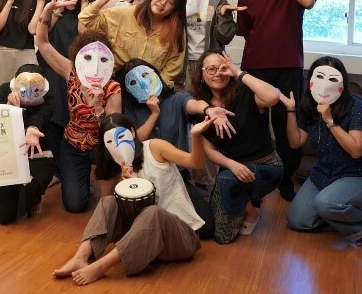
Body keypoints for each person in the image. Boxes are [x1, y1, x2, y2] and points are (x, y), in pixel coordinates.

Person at [53, 113, 213, 285]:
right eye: (109, 142)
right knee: (109, 202)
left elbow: (195, 162)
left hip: (181, 238)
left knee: (153, 212)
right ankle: (81, 256)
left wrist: (196, 135)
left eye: (121, 136)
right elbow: (134, 215)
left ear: (132, 132)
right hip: (149, 241)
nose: (117, 145)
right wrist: (129, 182)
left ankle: (101, 266)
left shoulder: (155, 147)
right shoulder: (121, 168)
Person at [236, 0, 317, 201]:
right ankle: (255, 179)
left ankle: (285, 180)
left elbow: (308, 2)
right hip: (255, 68)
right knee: (254, 125)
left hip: (290, 66)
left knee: (287, 124)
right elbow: (246, 31)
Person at [119, 57, 235, 238]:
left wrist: (208, 110)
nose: (142, 83)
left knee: (206, 229)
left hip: (177, 176)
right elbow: (135, 140)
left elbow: (194, 104)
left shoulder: (176, 99)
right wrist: (154, 114)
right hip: (144, 175)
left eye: (145, 75)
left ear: (156, 75)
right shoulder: (130, 109)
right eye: (133, 82)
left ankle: (166, 223)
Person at [282, 57, 362, 246]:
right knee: (297, 221)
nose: (325, 85)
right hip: (325, 172)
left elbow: (356, 151)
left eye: (332, 79)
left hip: (361, 174)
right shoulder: (310, 107)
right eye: (319, 77)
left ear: (342, 83)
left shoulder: (358, 108)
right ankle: (338, 217)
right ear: (310, 81)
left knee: (325, 204)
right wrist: (290, 110)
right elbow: (296, 142)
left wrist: (330, 121)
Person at [37, 0, 122, 213]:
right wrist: (47, 11)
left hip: (102, 146)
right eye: (88, 57)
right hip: (73, 144)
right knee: (75, 205)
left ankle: (103, 182)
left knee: (106, 204)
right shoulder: (71, 72)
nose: (94, 66)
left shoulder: (113, 88)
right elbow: (43, 43)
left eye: (102, 59)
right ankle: (82, 180)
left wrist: (98, 108)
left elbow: (114, 131)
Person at [194, 51, 284, 244]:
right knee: (210, 227)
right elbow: (209, 151)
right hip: (232, 170)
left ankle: (251, 213)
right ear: (201, 74)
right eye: (211, 69)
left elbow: (273, 97)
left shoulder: (245, 93)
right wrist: (232, 164)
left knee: (222, 237)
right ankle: (244, 201)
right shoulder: (203, 108)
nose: (218, 73)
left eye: (222, 68)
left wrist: (238, 72)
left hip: (266, 166)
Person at [37, 0, 91, 186]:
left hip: (77, 73)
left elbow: (85, 36)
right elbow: (38, 31)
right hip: (52, 68)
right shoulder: (55, 3)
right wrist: (55, 8)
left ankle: (68, 167)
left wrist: (86, 4)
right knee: (53, 118)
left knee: (72, 117)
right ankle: (52, 169)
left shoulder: (89, 8)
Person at [79, 0, 187, 88]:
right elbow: (86, 19)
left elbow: (174, 65)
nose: (163, 3)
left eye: (171, 2)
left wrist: (155, 87)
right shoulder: (124, 14)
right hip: (115, 83)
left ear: (175, 9)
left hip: (149, 88)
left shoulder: (175, 30)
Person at [0, 63, 55, 225]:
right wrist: (10, 108)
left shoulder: (49, 96)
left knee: (29, 190)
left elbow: (39, 118)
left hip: (38, 154)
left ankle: (32, 195)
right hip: (10, 154)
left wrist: (32, 129)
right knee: (2, 214)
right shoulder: (6, 90)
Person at [177, 0, 240, 87]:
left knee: (210, 104)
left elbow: (226, 37)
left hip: (210, 63)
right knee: (185, 104)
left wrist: (225, 16)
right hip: (181, 62)